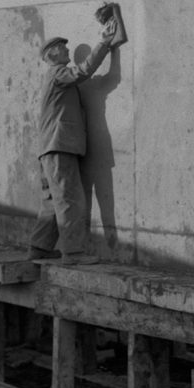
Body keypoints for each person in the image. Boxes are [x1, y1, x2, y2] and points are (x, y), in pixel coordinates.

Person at [27, 17, 123, 263]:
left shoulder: (54, 77)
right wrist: (104, 42)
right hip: (60, 146)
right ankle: (73, 252)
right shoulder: (58, 73)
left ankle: (39, 247)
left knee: (51, 201)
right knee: (70, 198)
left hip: (50, 147)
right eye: (65, 47)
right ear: (54, 53)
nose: (69, 50)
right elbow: (83, 71)